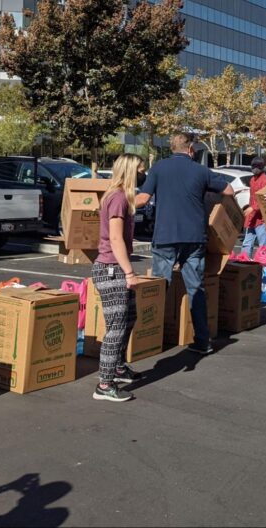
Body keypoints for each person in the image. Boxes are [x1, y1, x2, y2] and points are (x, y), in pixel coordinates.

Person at [137, 133, 234, 356]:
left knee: (159, 288)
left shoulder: (159, 168)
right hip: (194, 238)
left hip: (165, 236)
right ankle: (203, 340)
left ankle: (152, 338)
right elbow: (228, 190)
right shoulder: (201, 171)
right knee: (196, 289)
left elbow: (142, 199)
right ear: (190, 149)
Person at [92, 153, 148, 402]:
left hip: (114, 268)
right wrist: (129, 272)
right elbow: (115, 238)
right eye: (141, 169)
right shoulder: (117, 198)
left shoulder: (123, 197)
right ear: (130, 171)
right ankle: (104, 384)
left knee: (128, 318)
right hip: (111, 269)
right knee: (115, 326)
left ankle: (117, 367)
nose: (143, 173)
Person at [240, 158, 266, 259]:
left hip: (261, 219)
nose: (255, 169)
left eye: (257, 167)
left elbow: (265, 200)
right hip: (252, 218)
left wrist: (253, 208)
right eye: (253, 167)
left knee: (263, 246)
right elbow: (252, 198)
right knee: (247, 243)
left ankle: (264, 267)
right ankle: (243, 262)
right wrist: (250, 209)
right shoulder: (252, 180)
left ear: (262, 168)